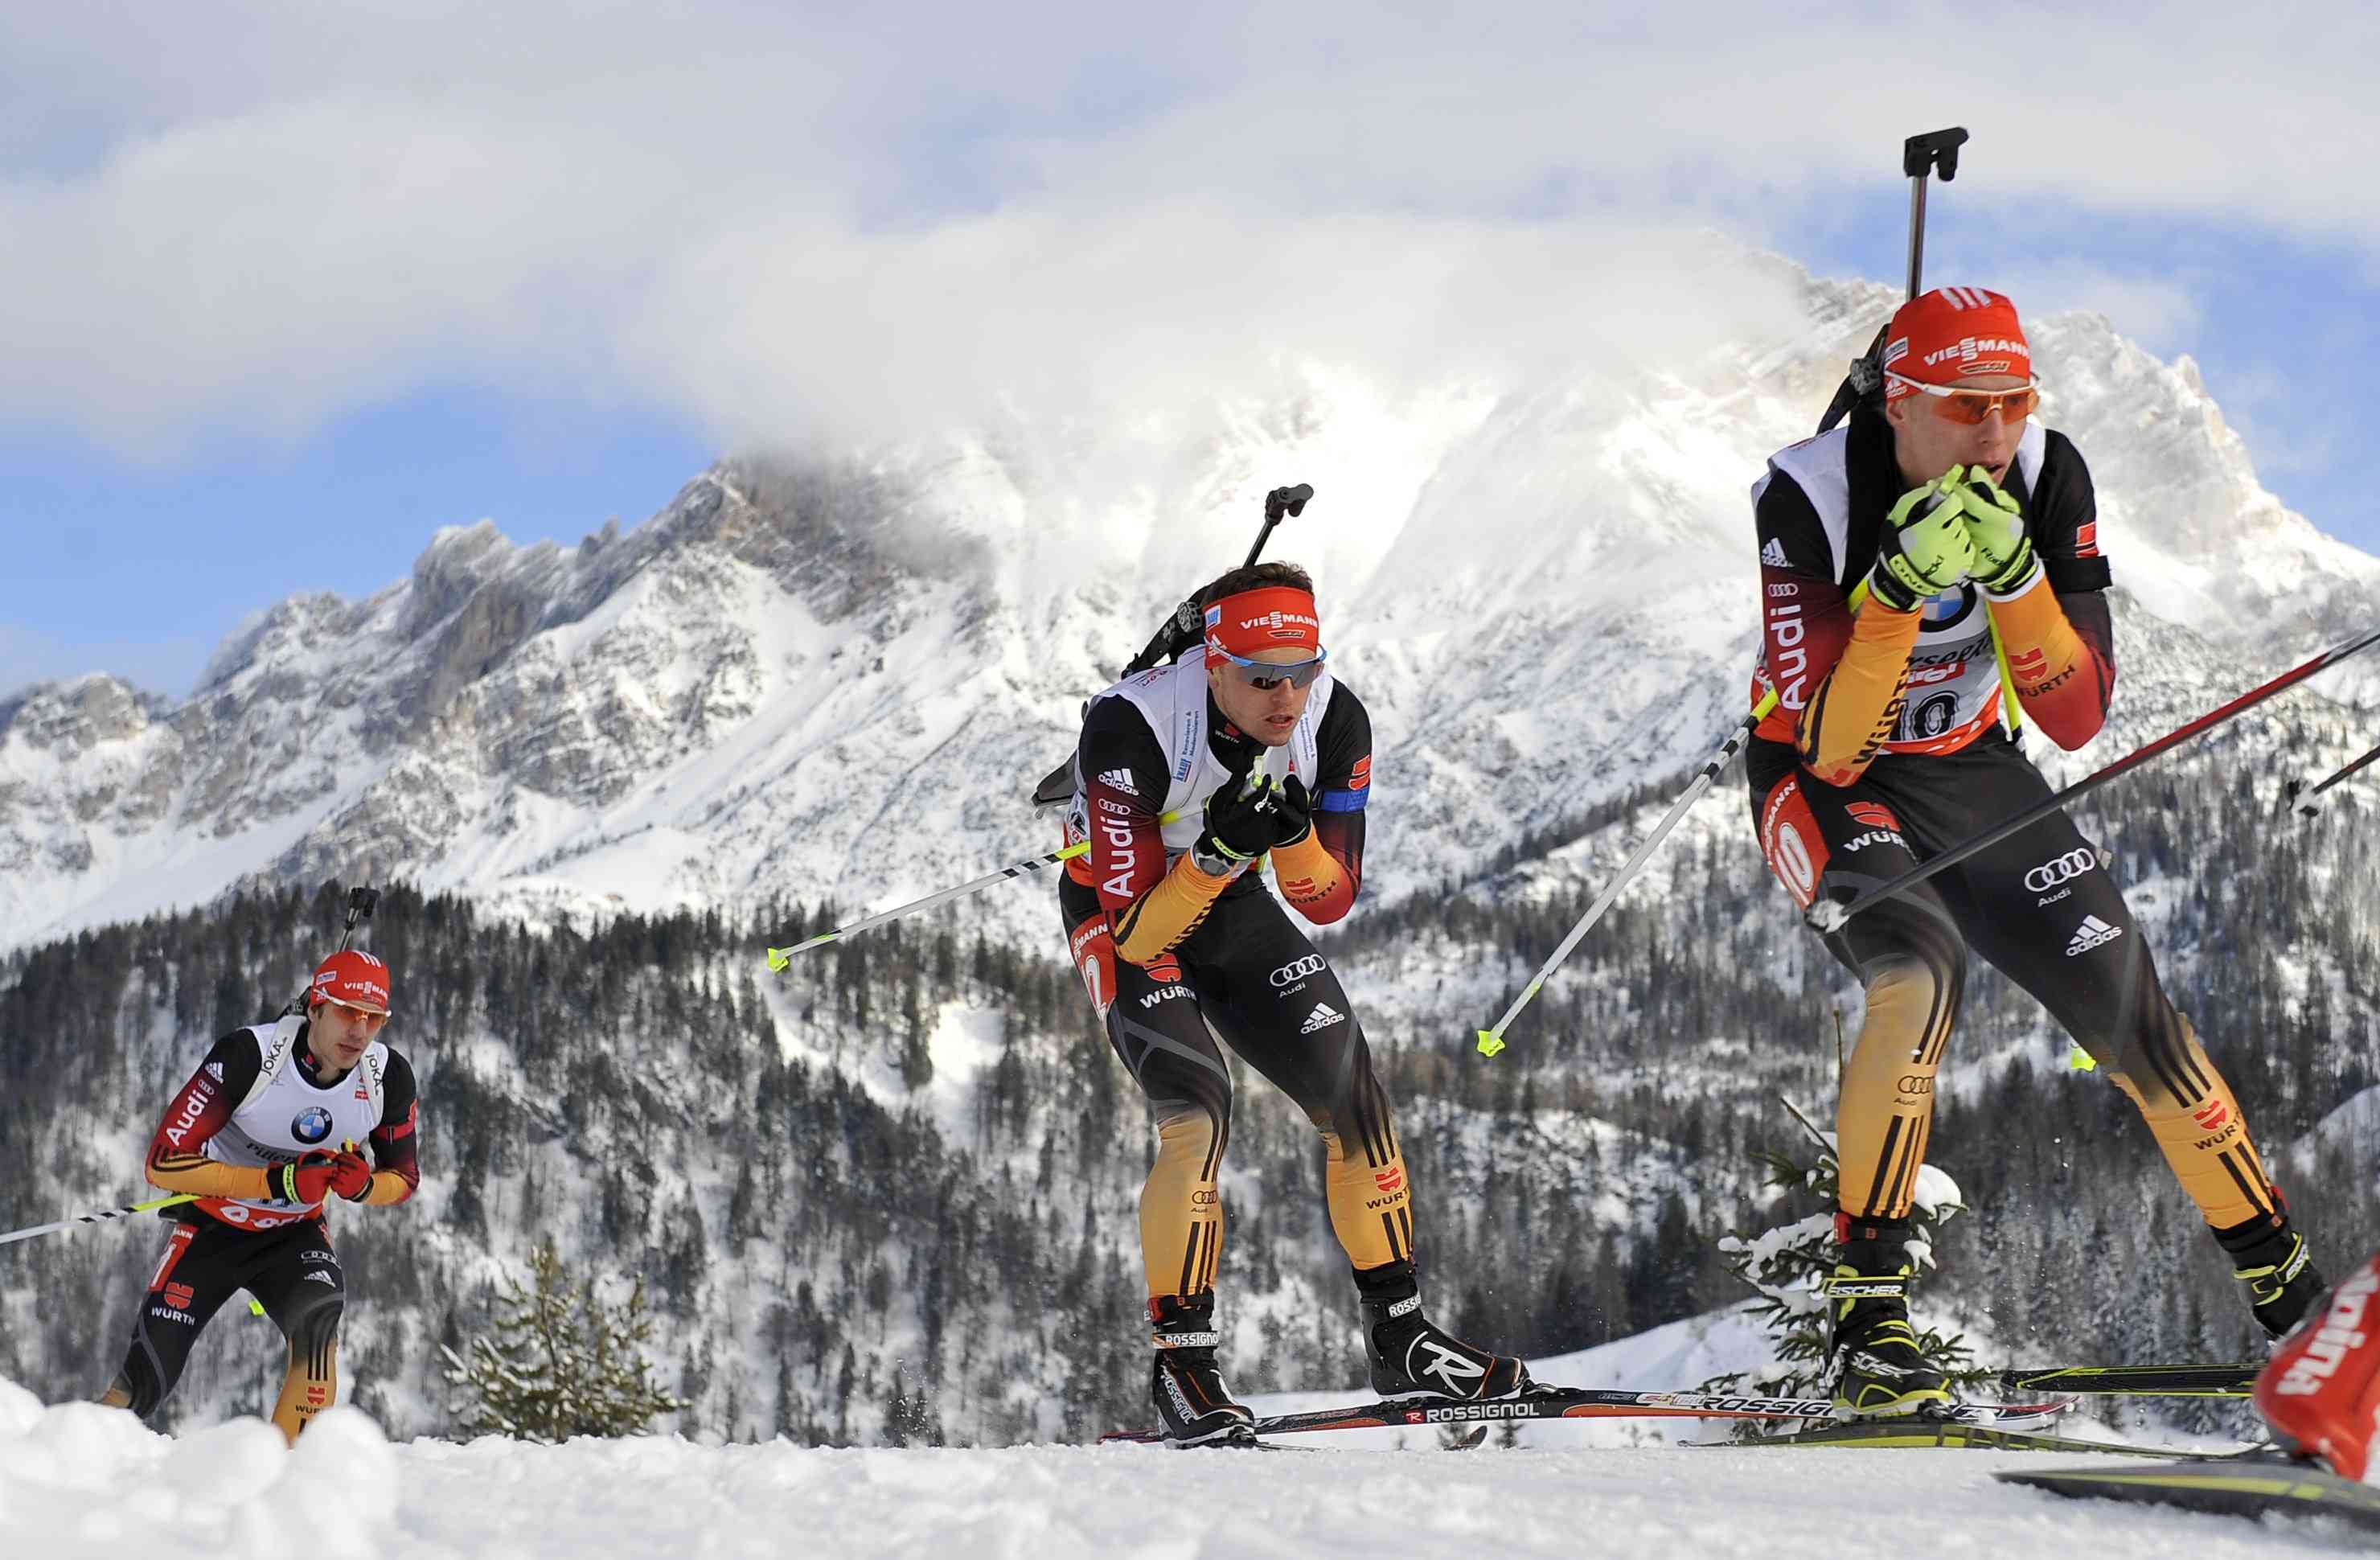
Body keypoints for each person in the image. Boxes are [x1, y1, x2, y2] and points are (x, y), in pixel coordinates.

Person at [1744, 287, 2323, 1417]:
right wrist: (1896, 591)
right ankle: (1867, 1323)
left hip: (1974, 767)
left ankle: (2296, 1307)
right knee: (1917, 978)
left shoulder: (2050, 474)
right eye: (1968, 406)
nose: (1997, 430)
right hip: (1824, 779)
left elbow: (2074, 715)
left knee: (2136, 1015)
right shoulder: (1808, 492)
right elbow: (1835, 745)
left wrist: (2015, 582)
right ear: (1899, 402)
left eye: (2014, 400)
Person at [1059, 560, 1528, 1444]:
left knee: (1354, 1095)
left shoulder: (1332, 718)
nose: (1286, 697)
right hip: (1126, 908)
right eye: (1262, 677)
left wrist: (1294, 836)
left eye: (1302, 671)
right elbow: (1141, 937)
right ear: (1212, 665)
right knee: (1198, 1112)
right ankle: (1183, 1366)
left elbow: (1328, 896)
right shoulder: (1132, 725)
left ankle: (1399, 1334)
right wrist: (1212, 853)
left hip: (1229, 899)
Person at [97, 949, 421, 1443]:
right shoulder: (249, 1057)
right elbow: (163, 1161)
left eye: (373, 1018)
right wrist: (276, 1182)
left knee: (318, 1329)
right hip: (212, 1228)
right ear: (315, 1007)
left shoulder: (386, 1078)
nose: (359, 1031)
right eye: (346, 1012)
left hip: (294, 1235)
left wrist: (363, 1187)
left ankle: (285, 1474)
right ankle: (70, 1462)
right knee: (145, 1380)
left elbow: (404, 1178)